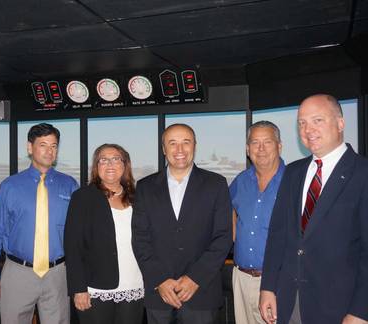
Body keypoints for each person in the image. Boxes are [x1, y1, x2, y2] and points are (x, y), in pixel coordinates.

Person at [259, 94, 368, 324]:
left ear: (340, 123)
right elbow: (278, 234)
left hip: (340, 308)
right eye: (302, 123)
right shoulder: (293, 172)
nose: (308, 129)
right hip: (288, 302)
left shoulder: (362, 173)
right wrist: (268, 287)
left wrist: (360, 311)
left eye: (317, 120)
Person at [0, 123, 79, 324]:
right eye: (43, 145)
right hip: (18, 272)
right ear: (29, 148)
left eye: (54, 146)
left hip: (57, 274)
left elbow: (79, 233)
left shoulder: (70, 185)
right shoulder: (10, 186)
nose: (49, 151)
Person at [132, 123, 232, 324]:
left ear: (195, 146)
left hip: (201, 293)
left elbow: (223, 237)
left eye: (186, 143)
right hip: (159, 294)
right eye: (172, 143)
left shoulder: (216, 184)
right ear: (163, 149)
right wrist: (160, 280)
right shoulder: (145, 187)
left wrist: (195, 278)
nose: (179, 150)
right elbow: (140, 239)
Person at [64, 144, 144, 324]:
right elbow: (73, 247)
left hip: (134, 284)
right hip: (95, 288)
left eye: (116, 159)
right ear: (96, 166)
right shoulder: (82, 197)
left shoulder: (137, 197)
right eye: (103, 160)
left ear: (125, 165)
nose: (110, 164)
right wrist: (78, 289)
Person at [230, 121, 285, 324]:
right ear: (247, 149)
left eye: (267, 142)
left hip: (278, 281)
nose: (260, 149)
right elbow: (228, 208)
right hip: (241, 279)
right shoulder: (240, 181)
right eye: (255, 143)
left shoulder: (294, 180)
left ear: (279, 146)